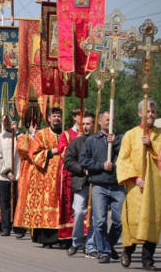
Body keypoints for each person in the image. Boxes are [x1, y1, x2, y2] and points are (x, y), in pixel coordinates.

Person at [117, 99, 161, 270]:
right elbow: (123, 160)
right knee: (133, 221)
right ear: (139, 114)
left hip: (155, 187)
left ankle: (147, 261)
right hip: (136, 187)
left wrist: (150, 146)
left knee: (152, 222)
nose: (150, 115)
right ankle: (128, 250)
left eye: (153, 112)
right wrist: (135, 178)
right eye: (147, 112)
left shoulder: (159, 134)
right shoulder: (130, 135)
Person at [79, 110, 123, 263]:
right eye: (106, 119)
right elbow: (84, 161)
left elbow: (125, 156)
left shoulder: (121, 139)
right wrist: (101, 166)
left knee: (120, 221)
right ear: (99, 122)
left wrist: (115, 143)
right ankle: (104, 252)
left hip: (117, 185)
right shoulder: (92, 141)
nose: (109, 122)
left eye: (112, 119)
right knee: (99, 221)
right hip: (99, 185)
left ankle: (108, 245)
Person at [18, 107, 63, 248]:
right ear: (49, 118)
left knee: (61, 206)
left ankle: (61, 238)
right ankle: (46, 239)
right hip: (44, 177)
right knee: (45, 206)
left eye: (59, 116)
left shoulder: (65, 135)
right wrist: (52, 151)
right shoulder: (41, 134)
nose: (56, 118)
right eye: (54, 116)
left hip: (62, 177)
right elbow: (34, 154)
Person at [65, 113, 97, 258]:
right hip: (80, 183)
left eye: (88, 124)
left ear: (94, 124)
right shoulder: (76, 142)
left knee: (95, 217)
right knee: (78, 212)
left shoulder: (99, 141)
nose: (85, 127)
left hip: (96, 183)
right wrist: (82, 169)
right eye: (83, 124)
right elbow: (68, 161)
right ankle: (76, 241)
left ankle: (90, 245)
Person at [0, 116, 24, 237]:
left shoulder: (18, 137)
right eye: (4, 121)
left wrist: (18, 132)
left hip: (17, 175)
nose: (6, 123)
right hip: (4, 176)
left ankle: (18, 227)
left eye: (8, 121)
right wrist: (6, 171)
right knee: (5, 203)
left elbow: (26, 146)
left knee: (17, 202)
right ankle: (6, 227)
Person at [58, 109, 82, 245]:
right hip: (69, 174)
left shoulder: (90, 134)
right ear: (74, 117)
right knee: (69, 205)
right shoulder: (66, 134)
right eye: (79, 115)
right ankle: (68, 235)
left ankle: (84, 235)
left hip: (85, 174)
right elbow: (63, 152)